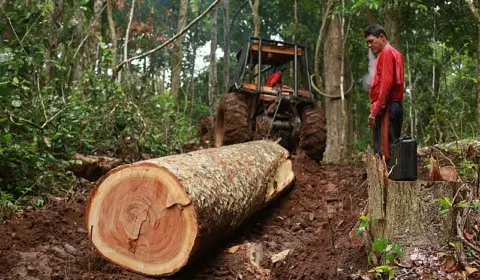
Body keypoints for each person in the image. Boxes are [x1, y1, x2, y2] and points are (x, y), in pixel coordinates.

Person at [364, 24, 404, 165]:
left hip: (387, 108)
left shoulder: (386, 53)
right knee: (392, 149)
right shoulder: (396, 54)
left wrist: (374, 112)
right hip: (394, 107)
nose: (369, 45)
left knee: (384, 152)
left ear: (382, 37)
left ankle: (387, 184)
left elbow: (386, 86)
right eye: (367, 42)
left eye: (371, 41)